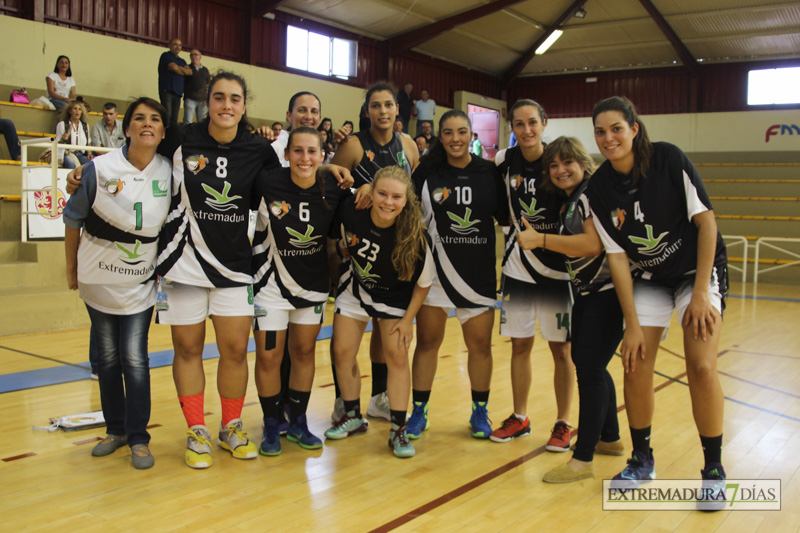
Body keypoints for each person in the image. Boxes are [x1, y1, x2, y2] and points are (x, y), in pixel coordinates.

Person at [587, 97, 727, 505]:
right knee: (635, 360)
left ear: (633, 128)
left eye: (616, 128)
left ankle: (714, 470)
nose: (608, 138)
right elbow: (616, 257)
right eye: (600, 131)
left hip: (694, 275)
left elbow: (707, 224)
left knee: (701, 366)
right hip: (648, 278)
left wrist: (701, 291)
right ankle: (642, 458)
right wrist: (630, 323)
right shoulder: (599, 187)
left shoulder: (668, 160)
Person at [63, 97, 172, 470]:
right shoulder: (97, 169)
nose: (147, 124)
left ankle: (139, 437)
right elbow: (73, 218)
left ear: (162, 130)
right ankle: (116, 429)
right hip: (97, 281)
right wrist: (70, 271)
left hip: (140, 283)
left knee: (134, 358)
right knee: (107, 360)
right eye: (139, 118)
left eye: (155, 119)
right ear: (126, 128)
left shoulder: (170, 171)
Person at [514, 137, 625, 483]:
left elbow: (592, 244)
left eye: (568, 163)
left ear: (583, 163)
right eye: (554, 165)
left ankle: (582, 459)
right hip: (589, 292)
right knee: (591, 363)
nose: (561, 170)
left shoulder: (588, 195)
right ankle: (611, 438)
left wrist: (540, 240)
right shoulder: (572, 200)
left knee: (589, 369)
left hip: (608, 292)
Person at [251, 127, 353, 455]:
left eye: (312, 152)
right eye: (298, 151)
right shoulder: (267, 182)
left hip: (312, 287)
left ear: (322, 156)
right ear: (286, 154)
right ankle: (271, 423)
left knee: (304, 354)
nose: (305, 158)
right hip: (269, 285)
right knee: (269, 356)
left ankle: (298, 420)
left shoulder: (334, 190)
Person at [407, 110, 507, 440]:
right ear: (440, 136)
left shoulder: (489, 172)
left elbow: (507, 218)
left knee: (480, 347)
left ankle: (480, 411)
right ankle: (419, 411)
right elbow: (408, 216)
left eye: (462, 131)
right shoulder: (427, 172)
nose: (455, 139)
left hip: (476, 275)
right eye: (448, 132)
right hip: (434, 275)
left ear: (471, 135)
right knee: (427, 345)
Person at [326, 166, 433, 458]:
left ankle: (399, 429)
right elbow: (333, 188)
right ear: (370, 193)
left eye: (396, 197)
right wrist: (341, 245)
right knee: (342, 351)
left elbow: (424, 285)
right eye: (382, 193)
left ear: (406, 200)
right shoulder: (352, 207)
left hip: (395, 298)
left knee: (397, 357)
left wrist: (409, 320)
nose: (388, 202)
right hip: (355, 287)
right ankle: (352, 416)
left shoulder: (416, 236)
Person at [329, 82, 420, 423]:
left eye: (388, 105)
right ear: (367, 111)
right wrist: (359, 186)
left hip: (395, 256)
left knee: (385, 339)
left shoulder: (409, 146)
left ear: (398, 109)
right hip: (359, 251)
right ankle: (344, 400)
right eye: (376, 106)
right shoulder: (353, 145)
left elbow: (412, 195)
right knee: (346, 334)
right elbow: (332, 189)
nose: (383, 111)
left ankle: (381, 398)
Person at [490, 100, 575, 452]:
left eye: (532, 123)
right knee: (520, 345)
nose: (526, 130)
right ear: (512, 127)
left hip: (557, 268)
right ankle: (520, 417)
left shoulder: (558, 161)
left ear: (544, 123)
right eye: (519, 124)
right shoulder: (503, 161)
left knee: (561, 349)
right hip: (517, 266)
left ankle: (563, 423)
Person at [157, 38, 192, 126]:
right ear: (170, 46)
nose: (178, 47)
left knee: (174, 119)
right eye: (175, 44)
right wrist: (182, 70)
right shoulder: (166, 56)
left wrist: (177, 68)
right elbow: (173, 67)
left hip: (178, 93)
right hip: (167, 90)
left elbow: (190, 72)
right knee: (166, 116)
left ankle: (172, 137)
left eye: (180, 45)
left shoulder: (182, 61)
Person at [55, 101, 91, 169]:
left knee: (91, 163)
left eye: (80, 109)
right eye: (75, 108)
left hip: (81, 154)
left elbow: (88, 142)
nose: (77, 111)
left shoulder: (85, 126)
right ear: (70, 111)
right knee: (70, 162)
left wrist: (89, 153)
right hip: (68, 153)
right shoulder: (62, 124)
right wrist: (63, 139)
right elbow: (57, 143)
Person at [183, 49, 210, 123]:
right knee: (187, 121)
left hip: (202, 100)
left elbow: (207, 83)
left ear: (200, 57)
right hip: (190, 98)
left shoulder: (205, 70)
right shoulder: (187, 68)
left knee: (202, 122)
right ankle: (186, 134)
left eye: (195, 54)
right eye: (191, 55)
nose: (193, 56)